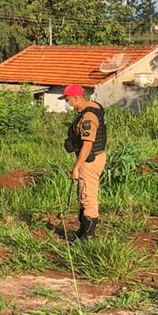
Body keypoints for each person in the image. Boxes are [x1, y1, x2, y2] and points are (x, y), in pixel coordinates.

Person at [61, 83, 106, 243]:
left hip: (90, 159)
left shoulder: (88, 117)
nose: (67, 103)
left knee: (88, 196)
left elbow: (88, 144)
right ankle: (82, 232)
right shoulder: (93, 107)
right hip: (90, 158)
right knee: (83, 194)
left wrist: (76, 167)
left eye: (68, 100)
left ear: (76, 98)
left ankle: (88, 238)